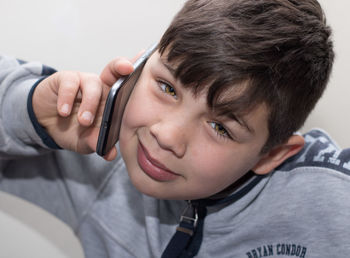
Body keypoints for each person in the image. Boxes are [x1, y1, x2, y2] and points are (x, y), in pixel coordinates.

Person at [1, 0, 349, 257]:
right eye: (167, 88)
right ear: (139, 65)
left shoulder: (332, 202)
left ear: (272, 154)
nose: (166, 136)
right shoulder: (102, 160)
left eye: (220, 127)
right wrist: (27, 110)